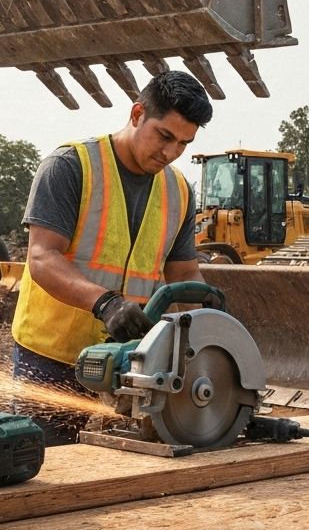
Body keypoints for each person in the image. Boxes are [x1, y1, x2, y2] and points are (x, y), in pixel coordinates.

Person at [11, 71, 213, 433]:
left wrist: (211, 338)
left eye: (183, 143)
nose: (170, 152)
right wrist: (107, 304)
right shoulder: (70, 166)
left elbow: (183, 275)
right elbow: (42, 257)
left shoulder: (179, 190)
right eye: (164, 136)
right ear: (137, 115)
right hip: (52, 354)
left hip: (128, 357)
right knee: (46, 467)